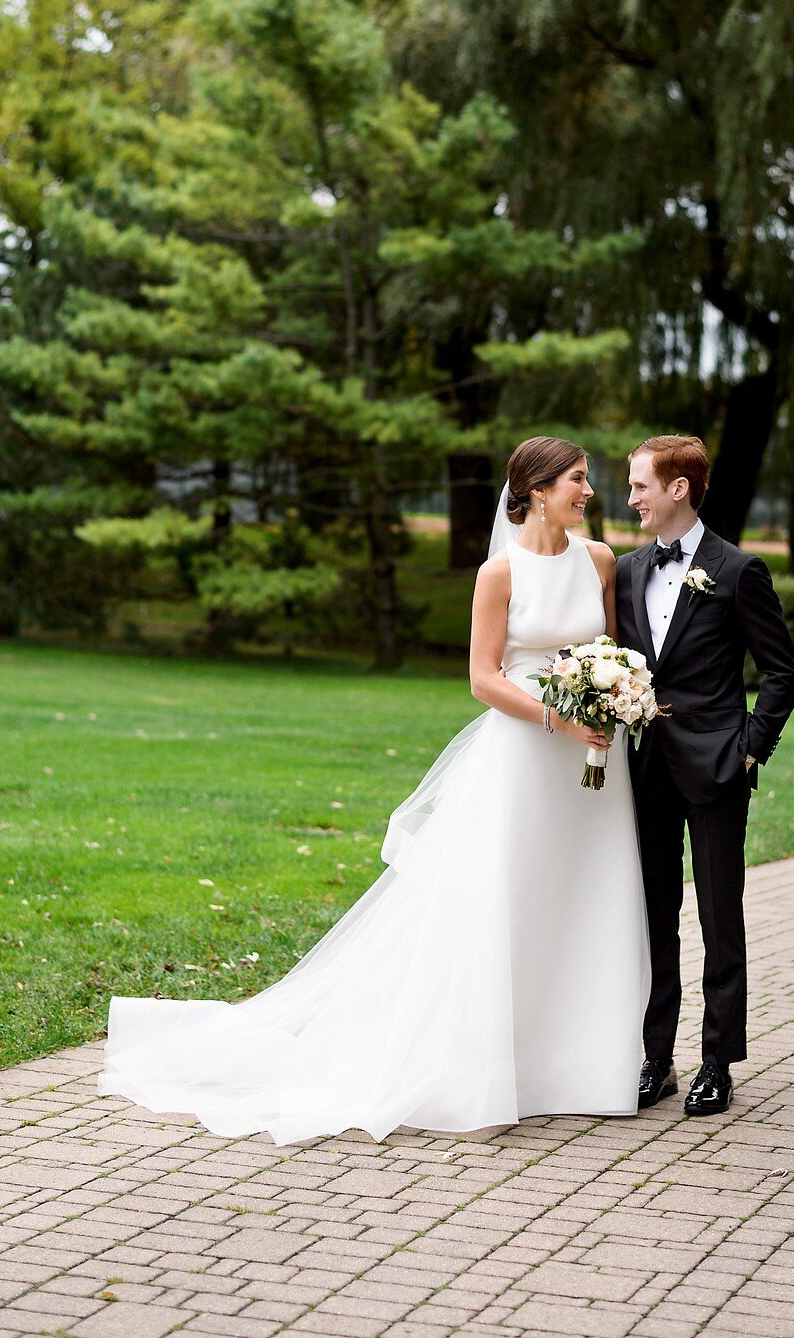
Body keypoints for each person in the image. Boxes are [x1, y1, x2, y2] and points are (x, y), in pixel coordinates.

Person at [99, 437, 651, 1143]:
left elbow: (607, 650)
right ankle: (503, 1066)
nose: (589, 492)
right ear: (539, 489)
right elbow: (483, 678)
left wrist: (614, 701)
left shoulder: (598, 559)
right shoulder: (498, 572)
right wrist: (557, 719)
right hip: (525, 755)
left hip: (595, 766)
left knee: (589, 894)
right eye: (578, 480)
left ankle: (585, 1068)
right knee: (512, 899)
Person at [616, 434, 794, 1117]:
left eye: (639, 484)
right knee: (653, 915)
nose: (631, 496)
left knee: (722, 915)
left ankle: (718, 1061)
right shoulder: (630, 569)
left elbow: (782, 672)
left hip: (718, 764)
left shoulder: (738, 568)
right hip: (646, 766)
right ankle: (656, 1058)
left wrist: (751, 745)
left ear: (678, 488)